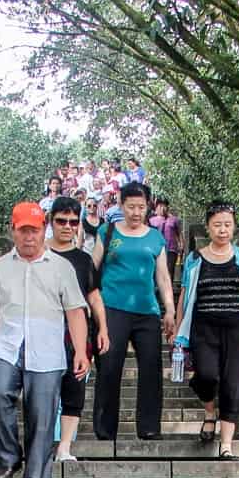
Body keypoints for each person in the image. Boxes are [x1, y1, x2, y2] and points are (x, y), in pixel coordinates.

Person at [0, 202, 90, 478]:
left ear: (43, 230)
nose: (29, 237)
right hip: (6, 345)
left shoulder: (62, 268)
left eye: (34, 231)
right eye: (23, 231)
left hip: (48, 350)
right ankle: (8, 456)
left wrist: (80, 351)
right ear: (13, 230)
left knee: (42, 416)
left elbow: (75, 312)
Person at [173, 201, 239, 458]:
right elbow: (185, 297)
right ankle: (210, 412)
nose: (222, 230)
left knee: (236, 384)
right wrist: (177, 332)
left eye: (227, 225)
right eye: (217, 225)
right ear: (208, 227)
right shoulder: (194, 259)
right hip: (203, 328)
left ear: (234, 228)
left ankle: (227, 444)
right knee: (206, 375)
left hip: (238, 329)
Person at [89, 181, 176, 440]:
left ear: (148, 206)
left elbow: (162, 278)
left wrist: (169, 310)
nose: (136, 212)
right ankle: (105, 430)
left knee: (151, 368)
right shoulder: (108, 231)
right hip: (112, 308)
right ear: (121, 205)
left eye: (141, 207)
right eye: (131, 207)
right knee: (109, 367)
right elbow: (92, 270)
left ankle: (149, 427)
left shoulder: (154, 237)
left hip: (146, 311)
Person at [46, 195, 107, 463]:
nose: (67, 227)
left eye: (73, 222)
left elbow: (94, 296)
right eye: (61, 221)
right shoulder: (38, 254)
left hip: (77, 335)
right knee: (42, 392)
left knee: (74, 390)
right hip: (43, 332)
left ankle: (64, 448)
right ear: (51, 221)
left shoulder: (83, 260)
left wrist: (103, 328)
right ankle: (42, 444)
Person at [150, 197, 183, 276]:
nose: (162, 208)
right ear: (156, 207)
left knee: (169, 272)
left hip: (171, 250)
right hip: (156, 249)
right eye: (160, 206)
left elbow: (179, 233)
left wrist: (181, 245)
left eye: (164, 205)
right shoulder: (152, 220)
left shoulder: (174, 220)